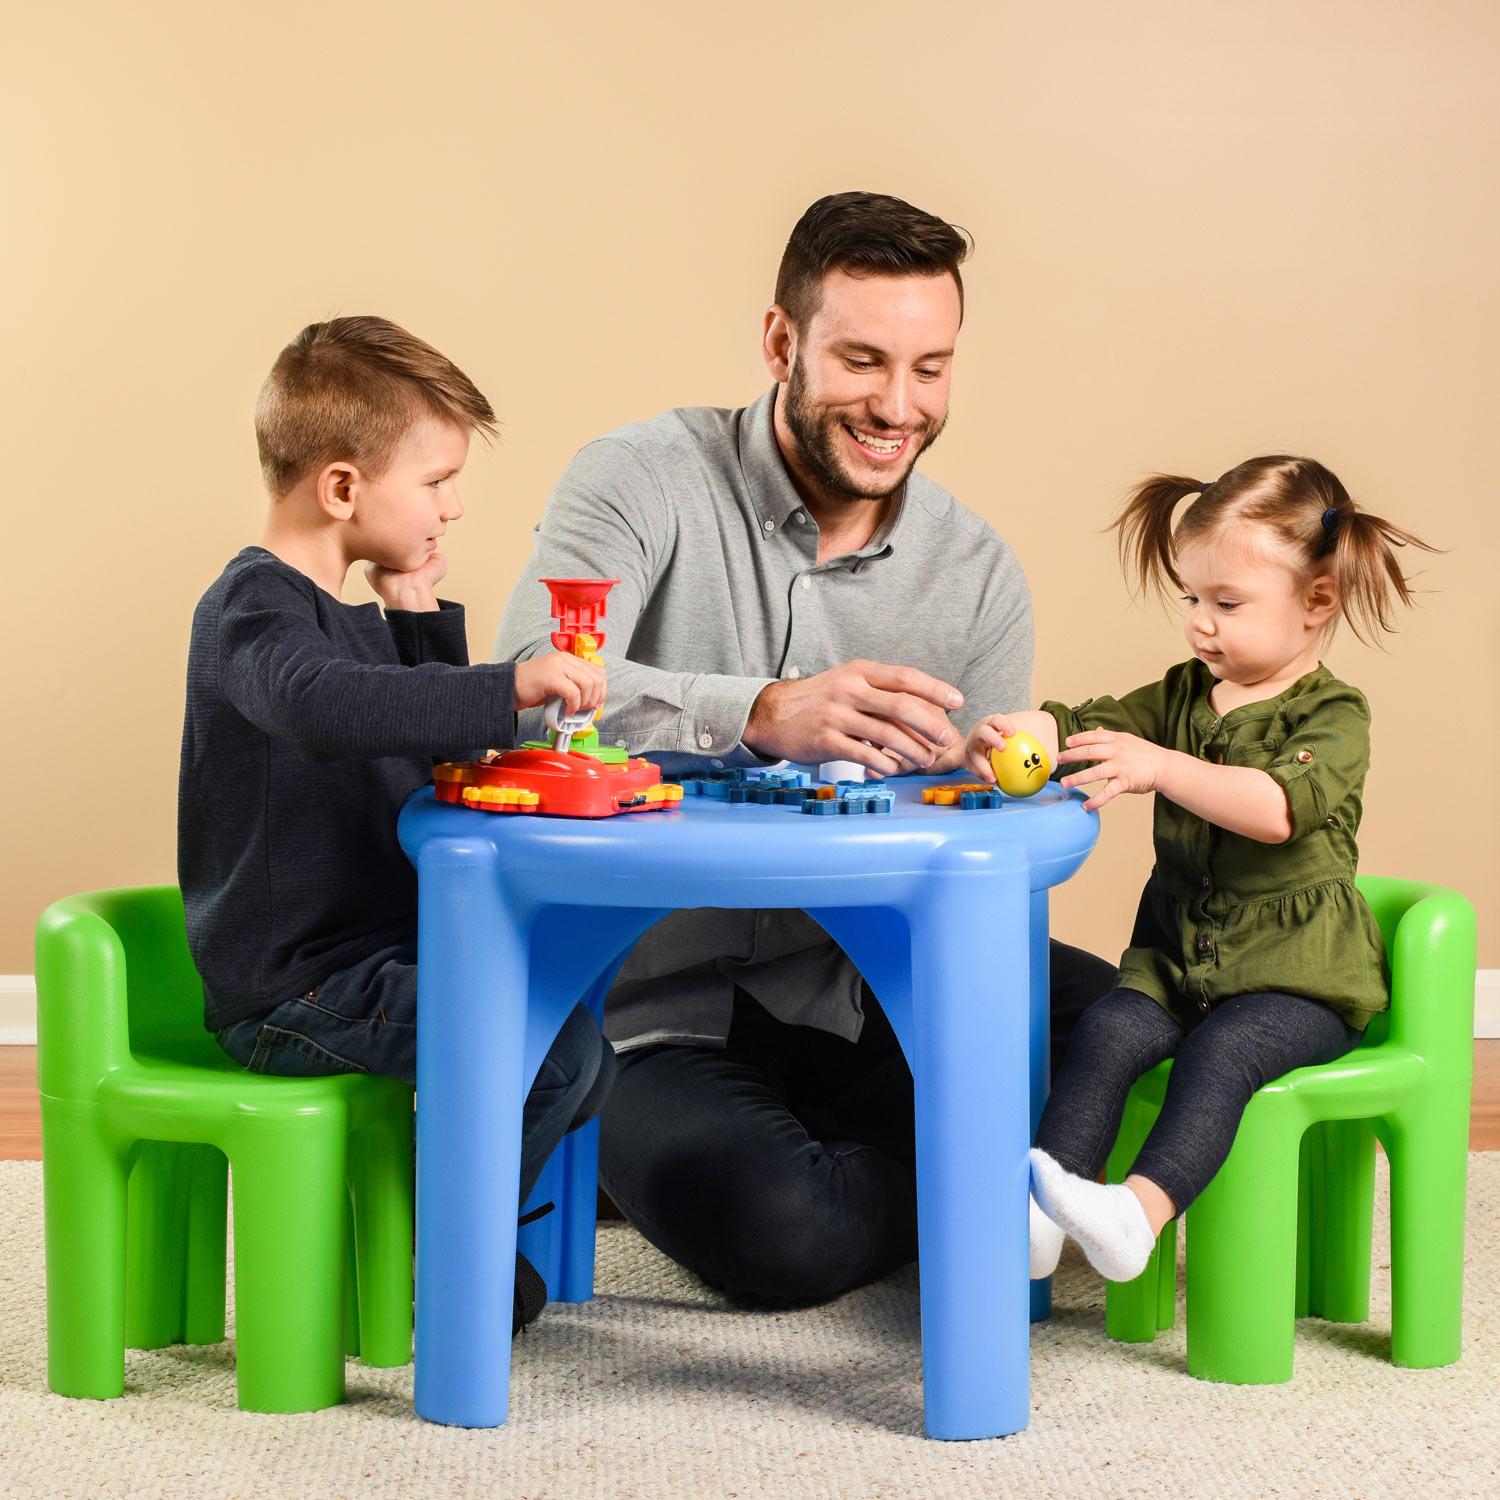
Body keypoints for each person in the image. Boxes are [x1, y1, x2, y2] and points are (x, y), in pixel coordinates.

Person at [494, 192, 1117, 1305]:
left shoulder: (976, 574)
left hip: (866, 990)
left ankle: (895, 1150)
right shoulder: (638, 478)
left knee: (1132, 1025)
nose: (898, 405)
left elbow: (984, 837)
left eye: (931, 368)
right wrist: (757, 708)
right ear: (781, 340)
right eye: (863, 360)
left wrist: (1002, 773)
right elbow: (522, 699)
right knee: (788, 1230)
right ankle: (971, 1184)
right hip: (649, 1007)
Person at [178, 315, 615, 1331]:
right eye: (434, 482)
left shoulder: (345, 624)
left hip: (374, 963)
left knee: (579, 1045)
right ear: (341, 488)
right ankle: (446, 1256)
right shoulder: (251, 615)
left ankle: (456, 1229)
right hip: (296, 988)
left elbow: (429, 754)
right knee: (539, 1049)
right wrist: (509, 684)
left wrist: (417, 613)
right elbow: (329, 708)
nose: (453, 506)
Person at [959, 456, 1436, 1283]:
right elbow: (1087, 726)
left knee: (1222, 1053)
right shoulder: (1183, 694)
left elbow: (1277, 808)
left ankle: (1136, 1214)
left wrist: (1163, 769)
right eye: (1192, 600)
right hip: (1178, 965)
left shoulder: (1333, 713)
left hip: (1298, 985)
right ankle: (1043, 1211)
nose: (1200, 625)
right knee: (1107, 1028)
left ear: (1315, 602)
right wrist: (1025, 731)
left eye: (1228, 604)